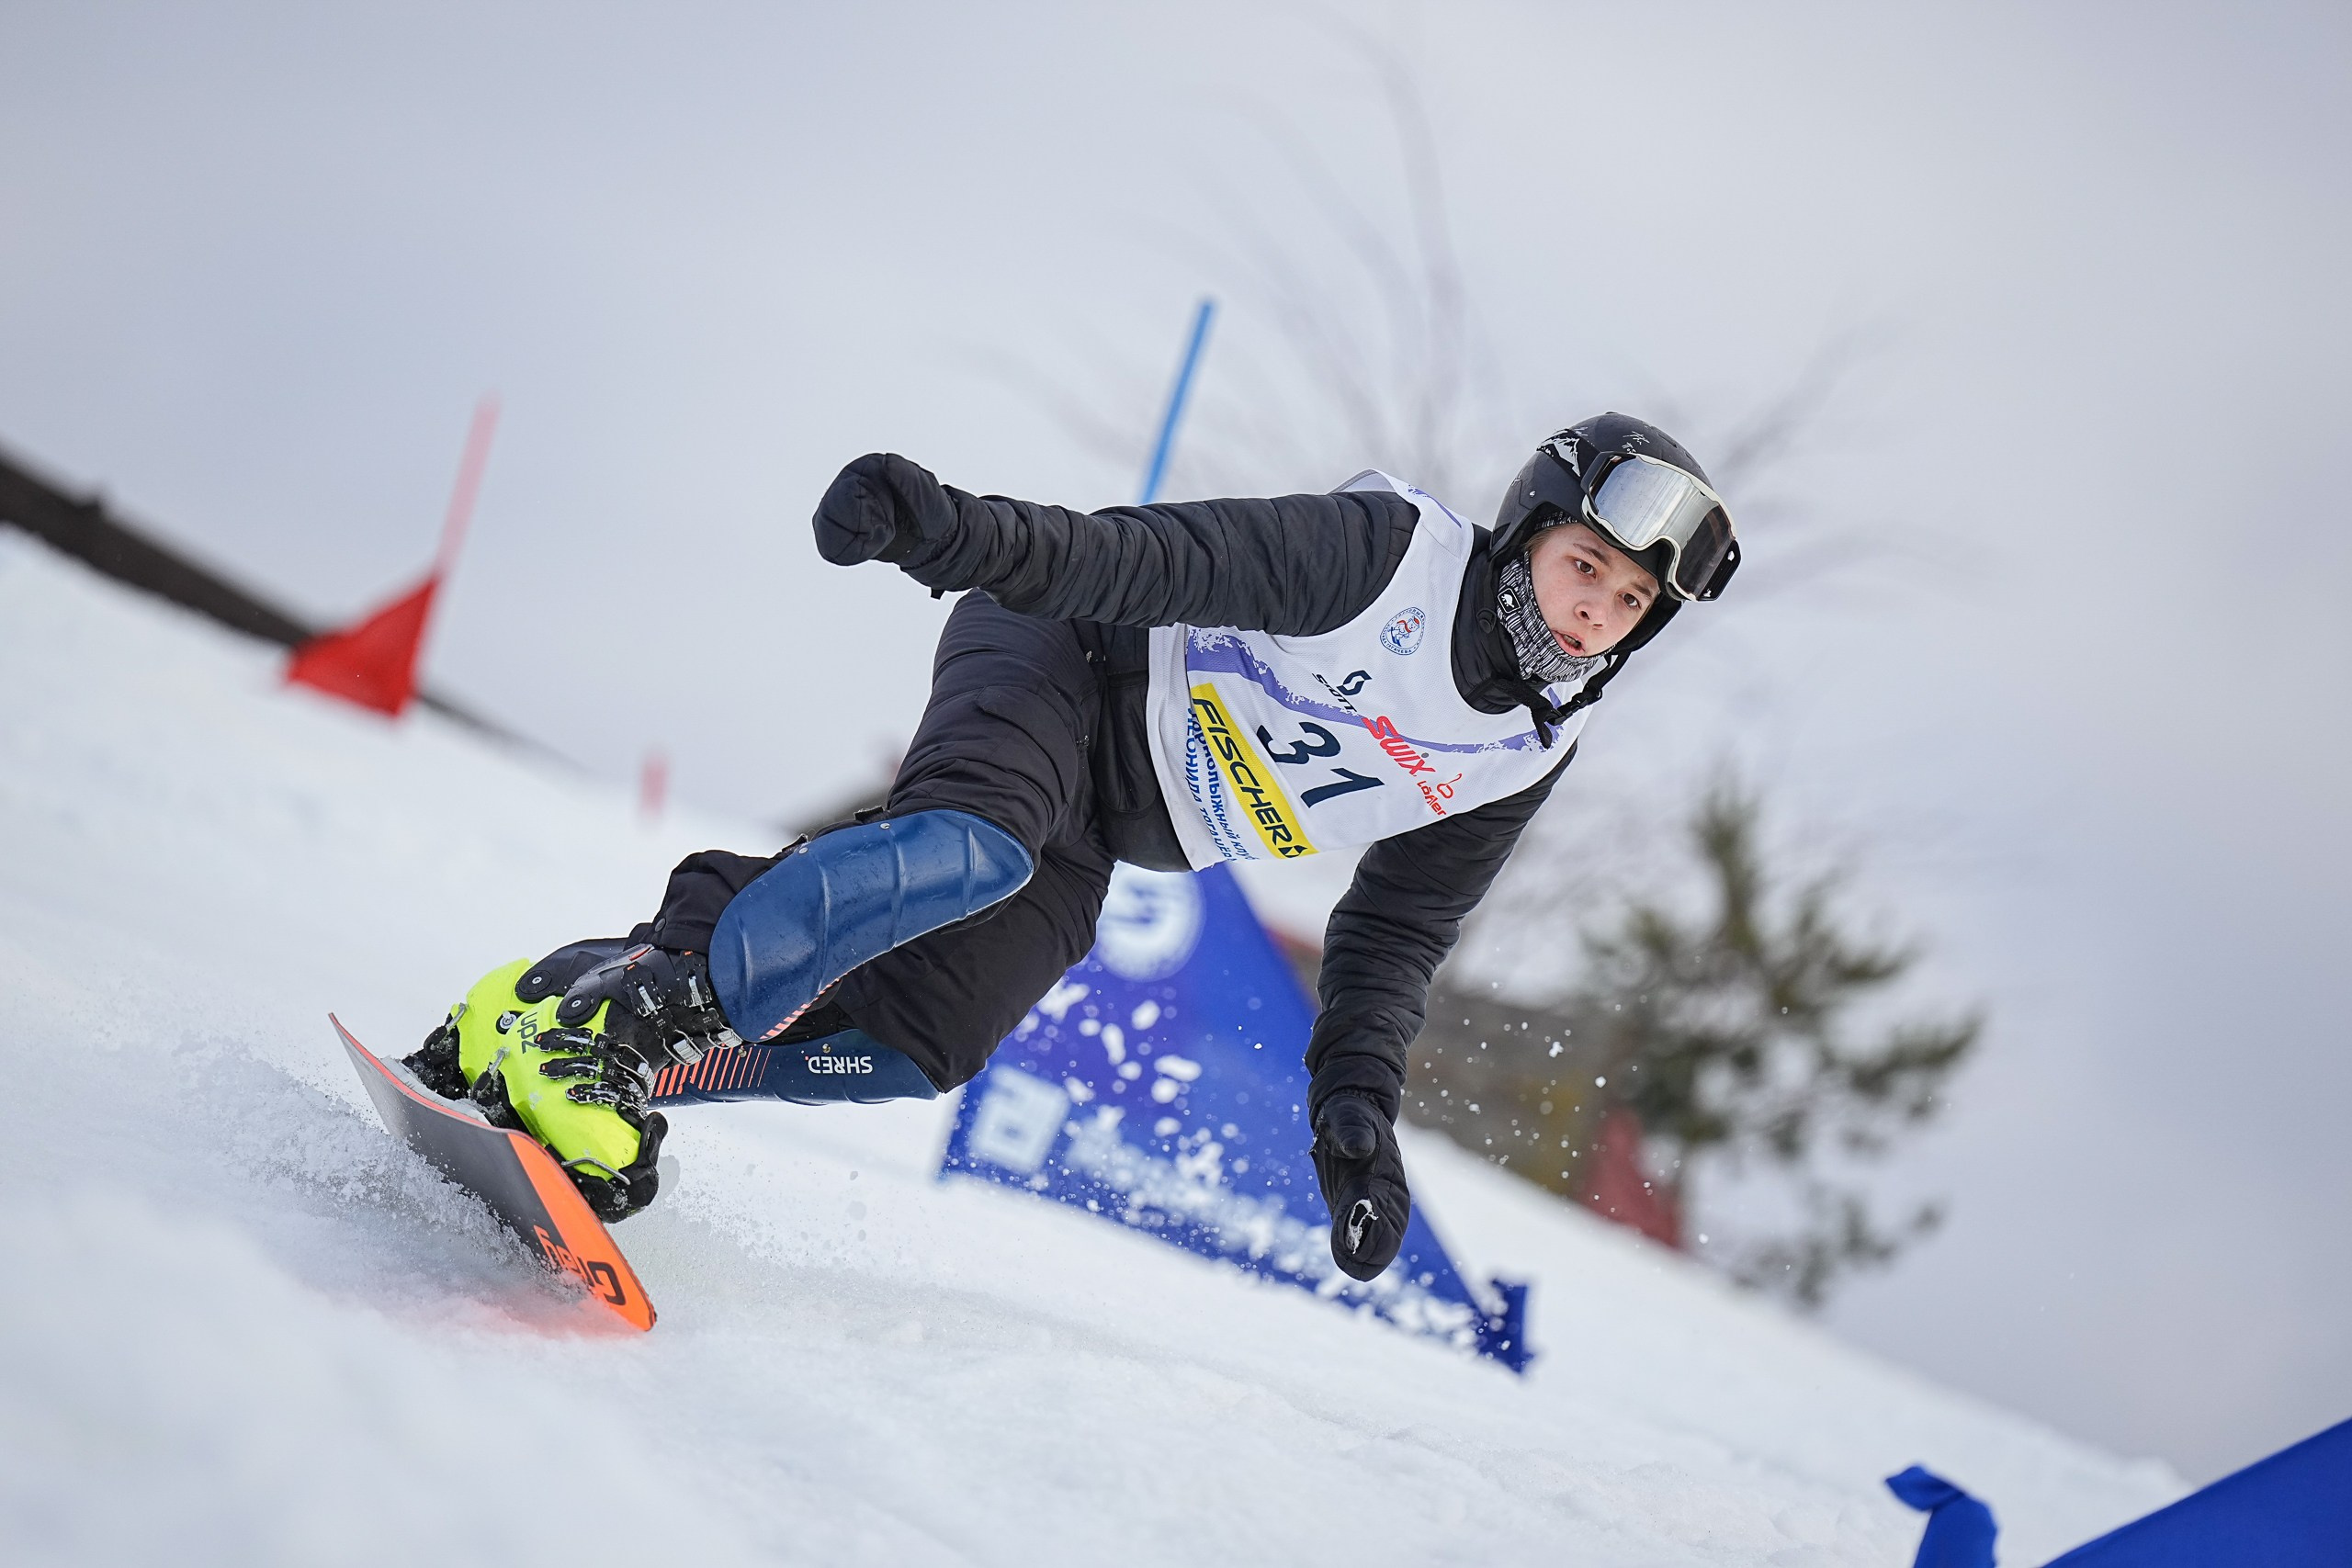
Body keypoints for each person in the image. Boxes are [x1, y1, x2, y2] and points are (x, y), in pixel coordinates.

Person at [403, 412, 1739, 1281]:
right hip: (1060, 659)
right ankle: (616, 1032)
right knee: (969, 849)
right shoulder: (1383, 558)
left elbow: (1396, 935)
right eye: (1585, 571)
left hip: (1107, 821)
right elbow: (1136, 561)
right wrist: (945, 532)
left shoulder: (1522, 754)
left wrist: (1354, 1114)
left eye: (1628, 606)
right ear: (1528, 537)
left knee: (919, 1042)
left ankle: (546, 1025)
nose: (1592, 617)